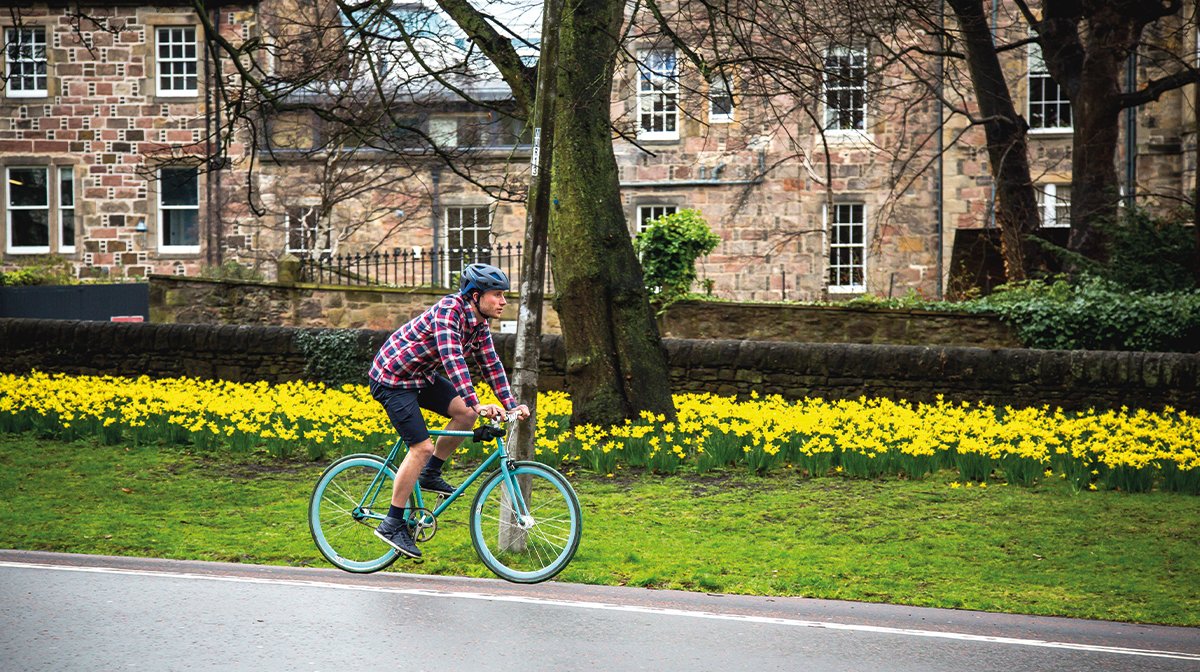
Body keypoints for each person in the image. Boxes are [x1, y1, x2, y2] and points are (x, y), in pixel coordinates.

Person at [368, 262, 530, 558]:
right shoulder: (449, 312)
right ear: (475, 295)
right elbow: (452, 358)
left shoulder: (479, 324)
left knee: (465, 415)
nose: (504, 301)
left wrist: (511, 404)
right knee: (421, 447)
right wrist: (478, 402)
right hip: (392, 378)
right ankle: (392, 523)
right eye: (497, 294)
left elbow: (491, 364)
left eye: (504, 295)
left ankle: (430, 475)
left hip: (421, 377)